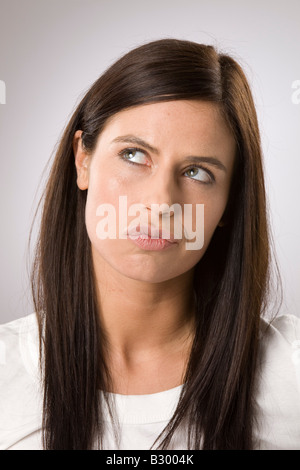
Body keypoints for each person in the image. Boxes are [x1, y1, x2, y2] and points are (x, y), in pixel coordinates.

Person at [0, 38, 300, 451]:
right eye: (134, 155)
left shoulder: (291, 372)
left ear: (230, 203)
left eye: (197, 172)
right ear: (82, 159)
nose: (162, 203)